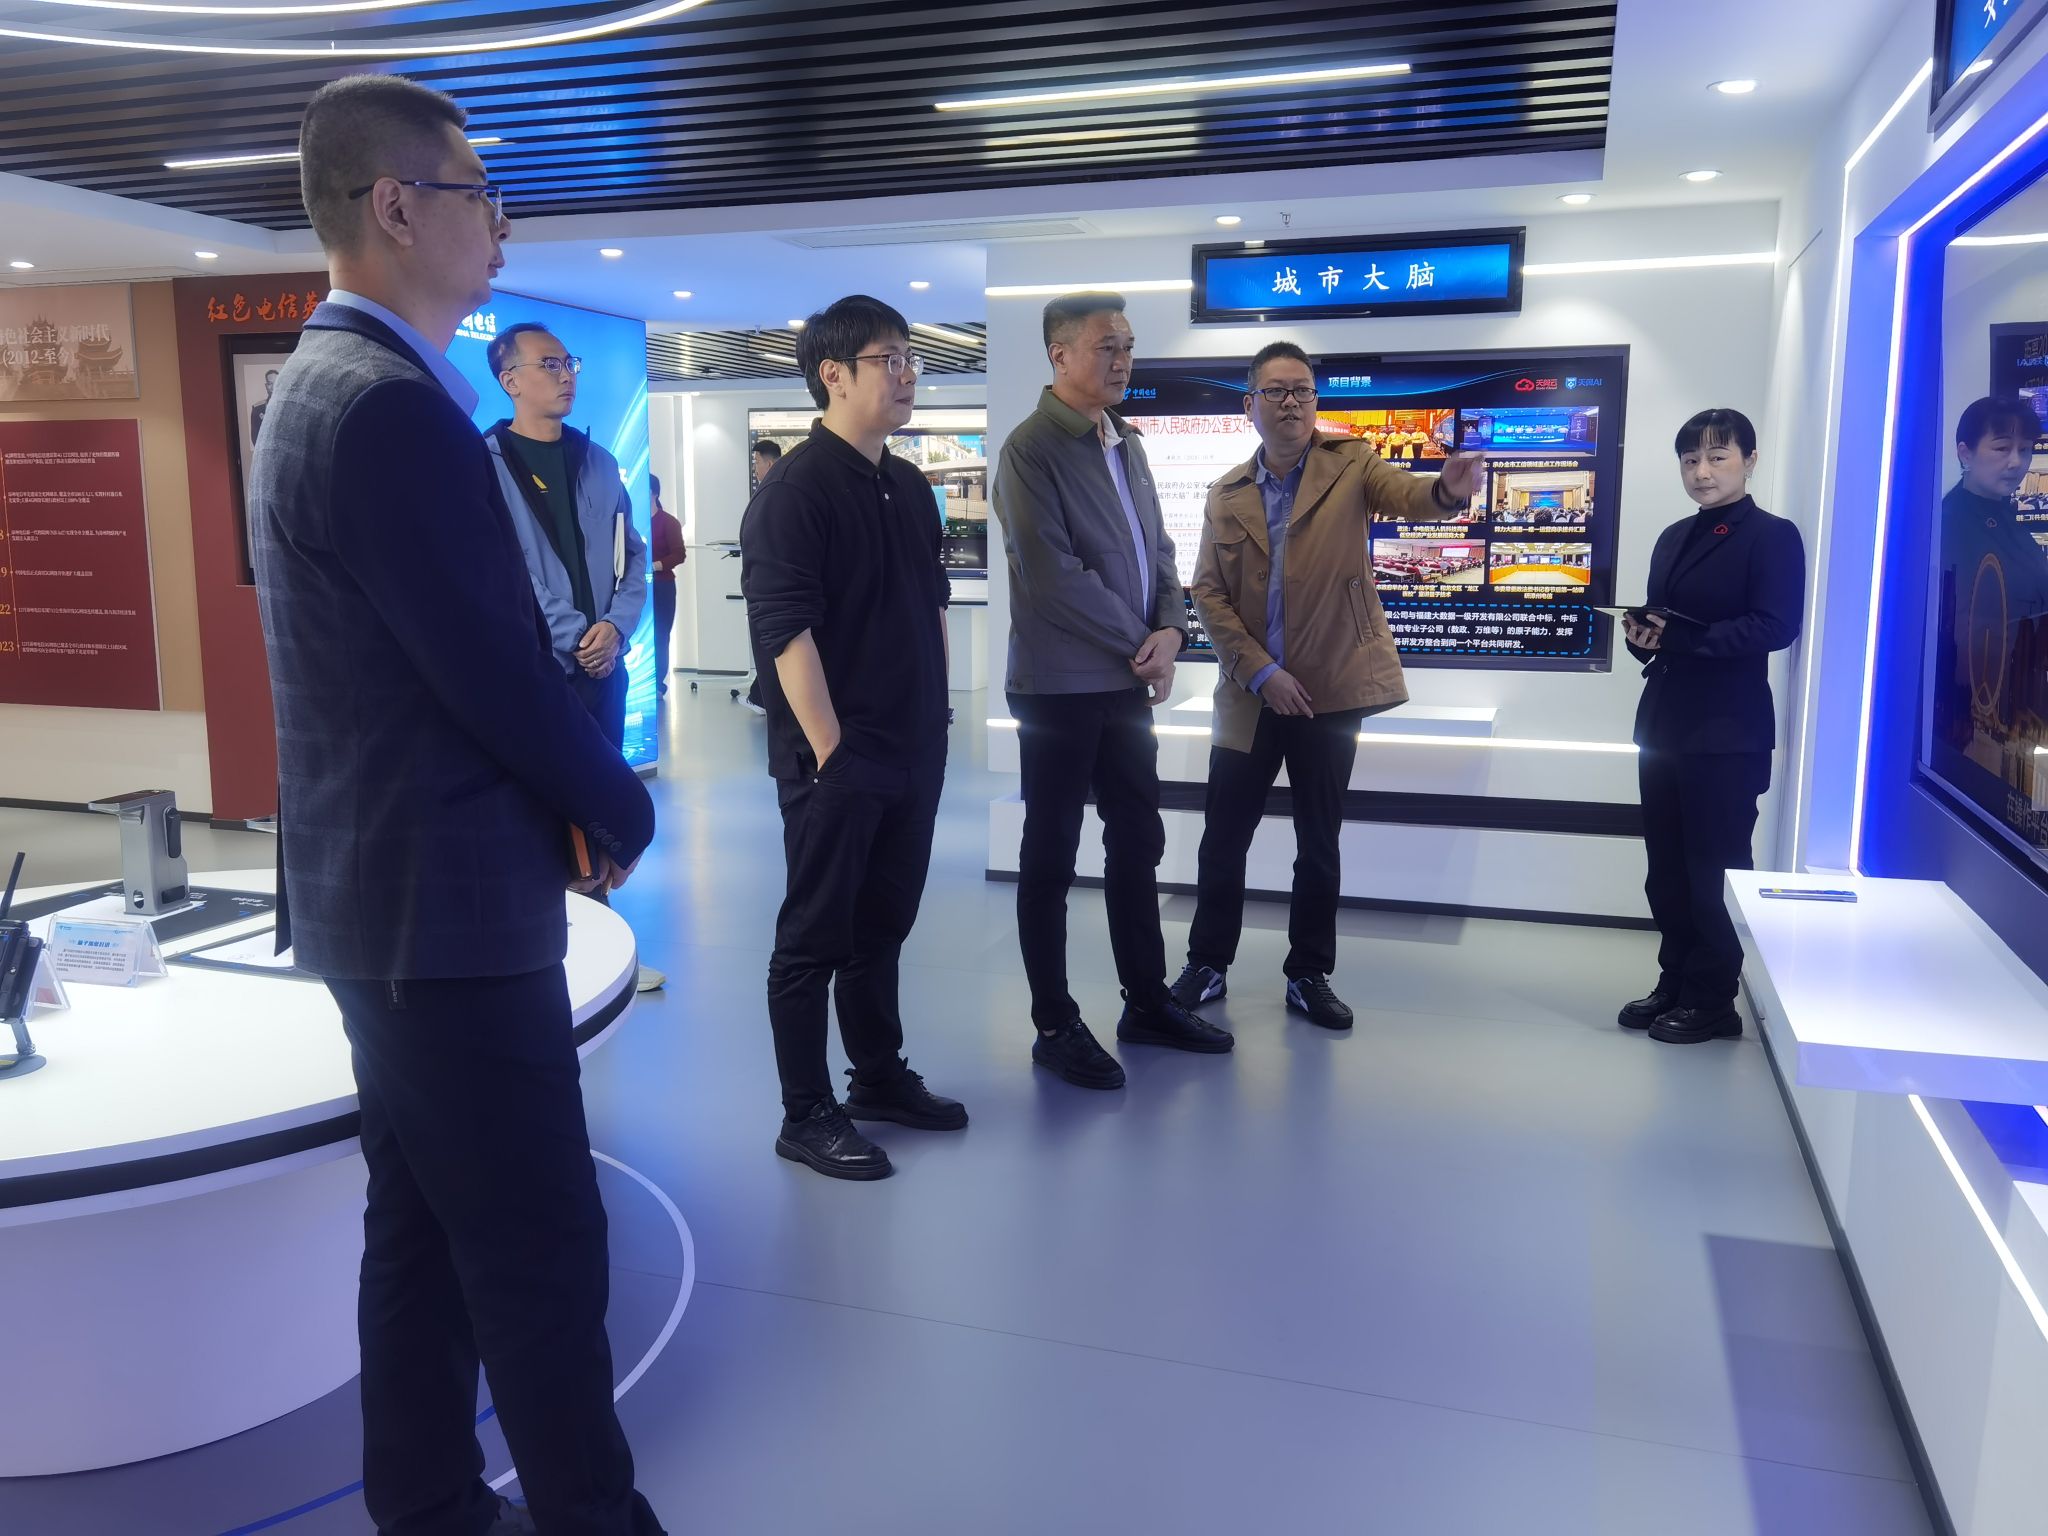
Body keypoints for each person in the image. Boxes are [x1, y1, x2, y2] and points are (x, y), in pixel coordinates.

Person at [247, 75, 665, 1536]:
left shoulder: (334, 385)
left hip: (391, 900)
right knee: (539, 1247)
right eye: (483, 196)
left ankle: (427, 1505)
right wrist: (620, 807)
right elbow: (490, 673)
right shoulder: (386, 410)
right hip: (443, 910)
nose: (500, 228)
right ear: (396, 206)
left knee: (421, 1228)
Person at [1176, 342, 1486, 1028]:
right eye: (1276, 391)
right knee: (1223, 837)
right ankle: (1206, 962)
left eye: (1303, 391)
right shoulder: (1226, 493)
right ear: (1250, 405)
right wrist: (1262, 672)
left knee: (1319, 840)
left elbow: (1408, 495)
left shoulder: (1351, 464)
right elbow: (1208, 594)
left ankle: (1309, 972)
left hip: (1331, 693)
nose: (1291, 402)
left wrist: (1445, 490)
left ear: (1316, 401)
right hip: (1250, 696)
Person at [740, 294, 964, 1180]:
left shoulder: (906, 484)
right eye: (888, 360)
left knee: (884, 924)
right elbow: (785, 632)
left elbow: (932, 603)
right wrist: (831, 753)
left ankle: (876, 1075)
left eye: (912, 358)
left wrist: (935, 717)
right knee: (814, 938)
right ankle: (805, 1113)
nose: (907, 374)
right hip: (838, 760)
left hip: (913, 747)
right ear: (832, 375)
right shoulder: (793, 493)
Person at [993, 290, 1233, 1090]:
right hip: (1059, 687)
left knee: (1138, 839)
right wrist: (1145, 646)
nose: (1123, 360)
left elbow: (1158, 547)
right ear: (1060, 355)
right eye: (1108, 347)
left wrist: (1172, 630)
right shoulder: (1030, 450)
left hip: (1127, 680)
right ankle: (1054, 1023)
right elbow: (1053, 577)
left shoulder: (1124, 441)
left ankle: (1146, 999)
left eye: (1128, 346)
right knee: (1051, 853)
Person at [485, 320, 664, 995]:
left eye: (569, 363)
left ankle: (604, 958)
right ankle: (547, 967)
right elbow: (507, 570)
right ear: (510, 380)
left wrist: (615, 629)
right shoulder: (484, 463)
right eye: (549, 364)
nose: (566, 376)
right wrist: (577, 636)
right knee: (543, 821)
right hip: (538, 675)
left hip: (603, 670)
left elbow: (633, 557)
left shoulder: (599, 461)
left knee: (601, 814)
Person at [1620, 408, 1804, 1046]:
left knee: (1713, 870)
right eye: (1690, 459)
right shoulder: (1674, 536)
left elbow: (1775, 626)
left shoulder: (1771, 536)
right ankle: (1674, 982)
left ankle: (1712, 998)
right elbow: (1661, 623)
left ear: (1749, 461)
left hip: (1727, 732)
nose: (1702, 471)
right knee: (1666, 870)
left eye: (1717, 457)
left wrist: (1682, 639)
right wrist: (1642, 636)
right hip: (1664, 724)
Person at [741, 440, 784, 715]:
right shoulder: (774, 490)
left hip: (770, 592)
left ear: (768, 462)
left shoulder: (775, 492)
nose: (755, 468)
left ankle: (764, 700)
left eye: (756, 462)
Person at [650, 473, 684, 699]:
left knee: (661, 635)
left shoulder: (669, 522)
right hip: (638, 587)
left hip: (662, 586)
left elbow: (679, 554)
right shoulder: (632, 520)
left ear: (653, 493)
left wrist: (656, 565)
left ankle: (657, 683)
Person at [250, 367, 279, 443]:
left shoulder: (289, 407)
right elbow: (255, 438)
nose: (273, 387)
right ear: (266, 386)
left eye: (277, 383)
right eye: (270, 384)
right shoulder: (257, 408)